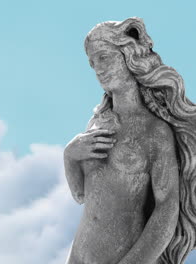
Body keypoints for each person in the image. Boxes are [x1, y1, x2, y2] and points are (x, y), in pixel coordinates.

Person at [64, 17, 196, 264]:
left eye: (104, 57)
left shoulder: (154, 132)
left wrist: (136, 261)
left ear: (127, 55)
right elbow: (81, 195)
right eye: (92, 63)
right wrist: (70, 156)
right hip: (78, 256)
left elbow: (167, 208)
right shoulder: (97, 122)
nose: (98, 69)